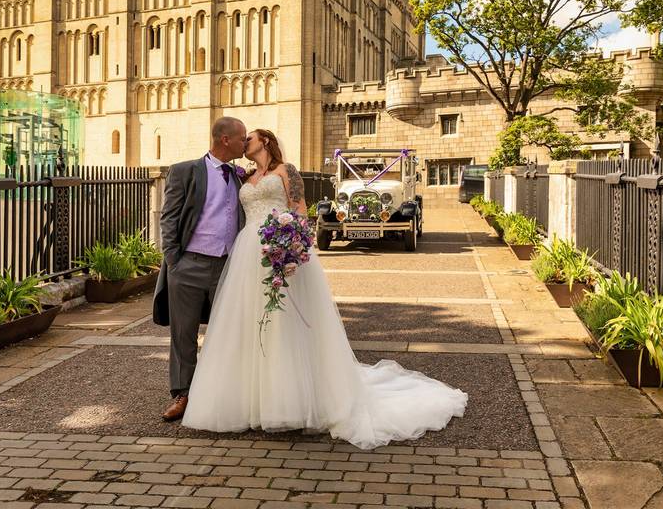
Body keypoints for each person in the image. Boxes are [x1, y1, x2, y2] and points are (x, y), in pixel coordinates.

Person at [181, 129, 468, 449]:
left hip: (280, 248)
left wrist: (293, 251)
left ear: (266, 141)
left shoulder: (287, 171)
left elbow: (301, 211)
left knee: (284, 325)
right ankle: (250, 399)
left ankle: (289, 400)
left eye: (250, 138)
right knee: (248, 324)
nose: (244, 141)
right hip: (248, 253)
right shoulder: (244, 176)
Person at [153, 116, 247, 422]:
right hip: (188, 265)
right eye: (241, 138)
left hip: (228, 267)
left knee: (227, 333)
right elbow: (169, 218)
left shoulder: (240, 176)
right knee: (184, 334)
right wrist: (173, 261)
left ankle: (221, 394)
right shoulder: (185, 171)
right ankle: (182, 395)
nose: (244, 143)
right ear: (225, 140)